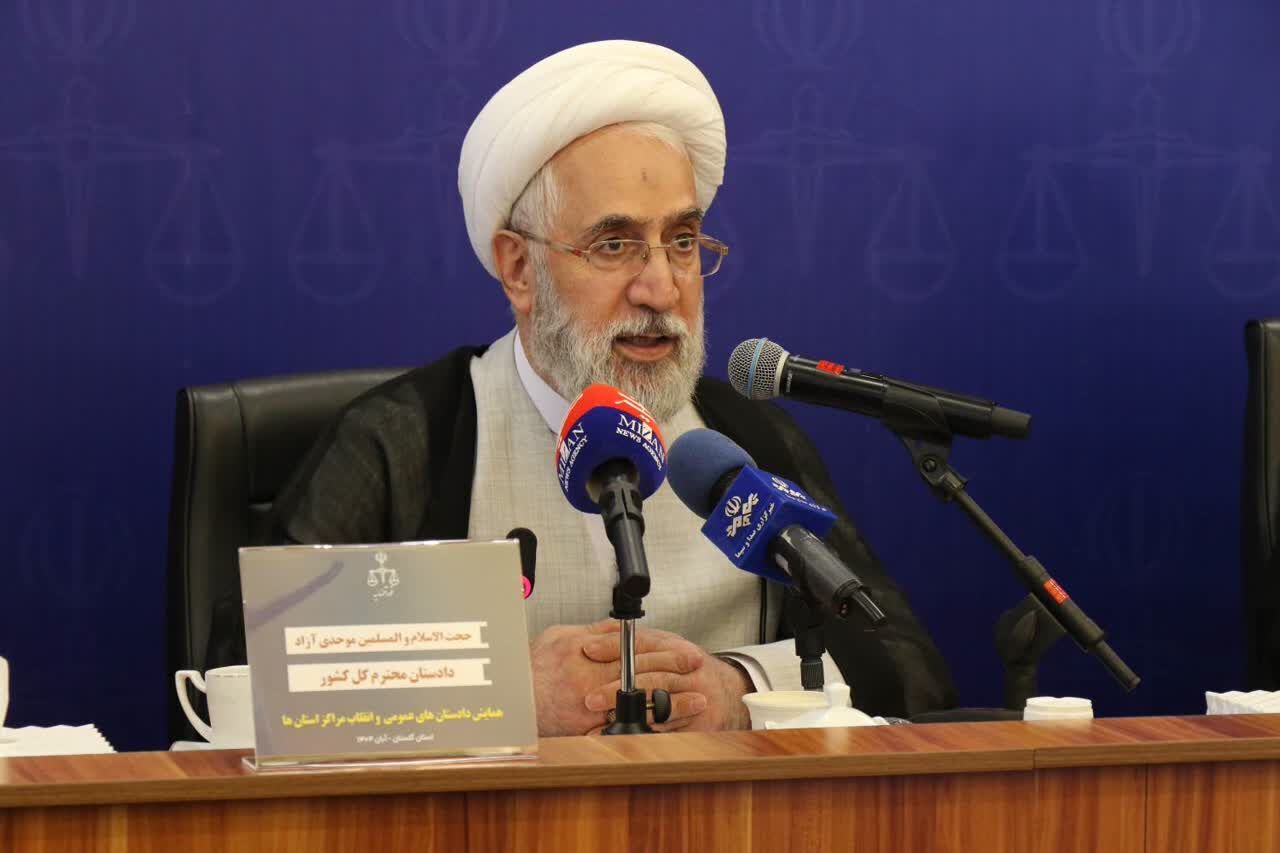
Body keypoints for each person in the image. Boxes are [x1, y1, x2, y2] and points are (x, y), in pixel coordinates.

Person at [262, 40, 957, 735]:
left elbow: (911, 672)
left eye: (681, 242)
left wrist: (743, 690)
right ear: (519, 269)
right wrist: (505, 692)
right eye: (614, 245)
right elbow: (259, 686)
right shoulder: (407, 442)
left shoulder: (746, 440)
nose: (661, 289)